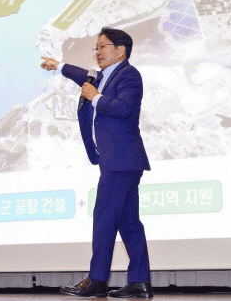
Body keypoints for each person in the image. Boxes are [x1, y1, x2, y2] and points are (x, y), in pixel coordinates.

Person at [41, 27, 153, 298]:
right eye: (96, 47)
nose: (98, 52)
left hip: (121, 160)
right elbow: (84, 76)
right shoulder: (102, 76)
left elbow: (124, 108)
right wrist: (59, 66)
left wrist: (96, 97)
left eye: (103, 47)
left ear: (121, 51)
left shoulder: (129, 75)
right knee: (128, 223)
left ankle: (97, 280)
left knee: (104, 219)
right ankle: (139, 282)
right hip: (118, 161)